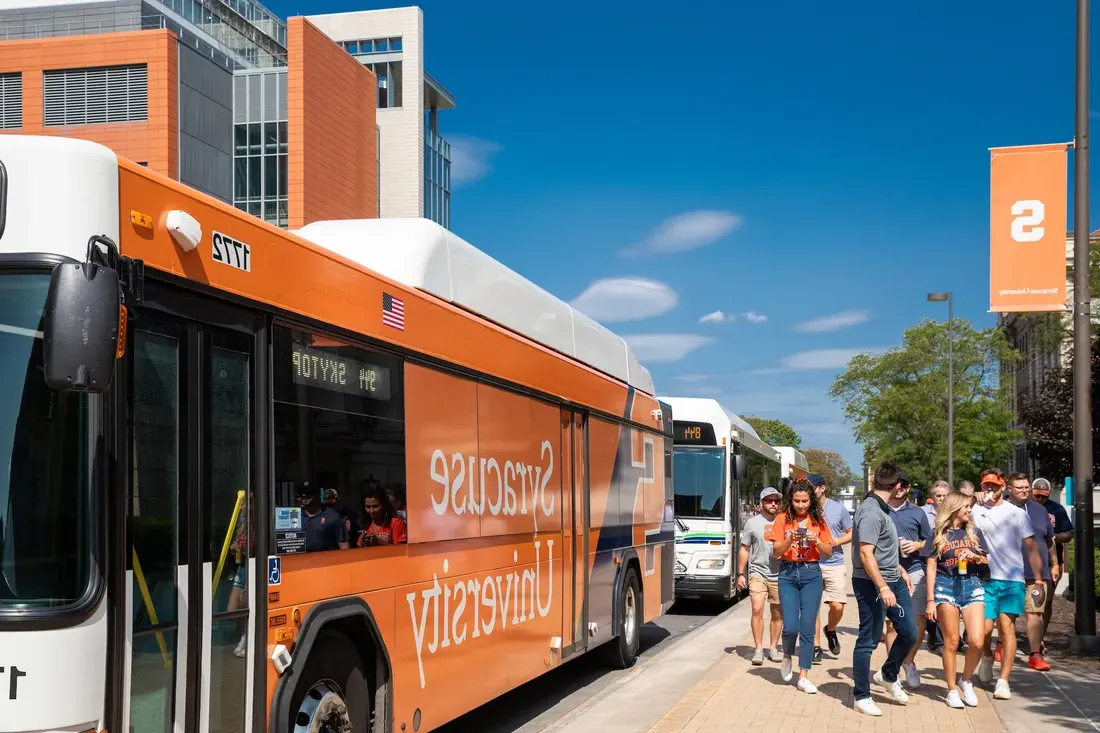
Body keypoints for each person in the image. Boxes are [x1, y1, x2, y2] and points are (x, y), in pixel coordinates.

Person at [972, 469, 1045, 700]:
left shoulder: (1016, 514)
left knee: (1007, 628)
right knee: (982, 631)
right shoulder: (975, 509)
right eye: (986, 486)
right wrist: (973, 497)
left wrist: (1039, 580)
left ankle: (1003, 680)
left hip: (1012, 578)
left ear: (1003, 487)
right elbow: (953, 510)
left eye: (994, 486)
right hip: (985, 578)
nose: (990, 489)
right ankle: (986, 656)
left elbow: (1032, 548)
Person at [851, 462, 917, 717]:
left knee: (910, 632)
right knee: (868, 639)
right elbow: (866, 554)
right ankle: (861, 695)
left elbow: (881, 549)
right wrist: (882, 586)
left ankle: (888, 675)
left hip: (893, 581)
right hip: (872, 585)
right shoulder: (870, 512)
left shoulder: (881, 508)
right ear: (898, 486)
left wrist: (899, 568)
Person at [765, 478, 835, 694]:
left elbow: (828, 552)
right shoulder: (782, 519)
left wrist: (816, 541)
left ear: (810, 500)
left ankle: (803, 675)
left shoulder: (818, 520)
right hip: (787, 573)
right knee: (791, 626)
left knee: (807, 626)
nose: (801, 505)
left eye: (805, 501)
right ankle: (786, 655)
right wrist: (790, 539)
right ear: (791, 500)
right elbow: (776, 552)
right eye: (797, 501)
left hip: (811, 574)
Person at [926, 491, 989, 708]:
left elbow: (985, 560)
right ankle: (951, 689)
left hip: (972, 586)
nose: (970, 510)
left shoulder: (974, 532)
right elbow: (932, 566)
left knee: (977, 640)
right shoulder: (938, 533)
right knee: (951, 642)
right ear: (954, 508)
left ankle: (966, 679)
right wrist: (930, 600)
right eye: (966, 507)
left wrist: (975, 557)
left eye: (970, 507)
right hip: (945, 587)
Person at [1002, 473, 1055, 671]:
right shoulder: (1001, 509)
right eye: (1020, 487)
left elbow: (1049, 540)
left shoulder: (1040, 510)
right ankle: (1002, 646)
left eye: (1026, 487)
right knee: (1008, 614)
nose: (1025, 491)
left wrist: (1055, 564)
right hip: (1009, 573)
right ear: (1009, 489)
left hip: (1037, 574)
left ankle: (1035, 655)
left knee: (1035, 613)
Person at [885, 471, 933, 688]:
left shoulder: (917, 512)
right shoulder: (880, 509)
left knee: (917, 622)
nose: (900, 487)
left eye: (904, 484)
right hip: (887, 572)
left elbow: (930, 541)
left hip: (914, 570)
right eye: (896, 484)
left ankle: (909, 661)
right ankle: (892, 672)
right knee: (892, 624)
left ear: (907, 486)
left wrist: (917, 545)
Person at [737, 486, 784, 665]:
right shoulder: (752, 523)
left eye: (776, 501)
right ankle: (758, 649)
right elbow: (744, 548)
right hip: (758, 572)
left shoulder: (785, 521)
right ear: (762, 503)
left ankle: (773, 647)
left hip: (780, 573)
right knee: (757, 609)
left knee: (777, 613)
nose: (773, 504)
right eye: (769, 500)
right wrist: (741, 573)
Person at [810, 473, 852, 661]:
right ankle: (815, 646)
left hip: (834, 562)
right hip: (811, 563)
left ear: (822, 488)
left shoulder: (838, 509)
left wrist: (836, 541)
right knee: (812, 607)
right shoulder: (805, 508)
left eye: (813, 488)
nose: (810, 492)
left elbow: (851, 533)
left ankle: (831, 629)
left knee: (837, 606)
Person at [1031, 477, 1073, 647]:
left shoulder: (1056, 509)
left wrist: (1052, 538)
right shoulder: (1023, 507)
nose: (1041, 499)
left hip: (1050, 562)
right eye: (1037, 496)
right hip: (1025, 561)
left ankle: (1039, 638)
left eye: (1044, 496)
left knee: (1046, 601)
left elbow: (1069, 534)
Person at [923, 480, 952, 654]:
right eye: (938, 495)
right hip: (928, 561)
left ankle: (941, 639)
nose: (941, 499)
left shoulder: (956, 513)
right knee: (930, 600)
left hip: (949, 563)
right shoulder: (923, 513)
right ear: (932, 497)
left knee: (944, 601)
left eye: (944, 495)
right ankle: (934, 636)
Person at [299, 481, 350, 552]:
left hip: (327, 561)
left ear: (318, 494)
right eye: (301, 493)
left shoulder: (333, 516)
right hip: (300, 561)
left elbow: (344, 546)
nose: (304, 495)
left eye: (309, 493)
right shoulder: (294, 515)